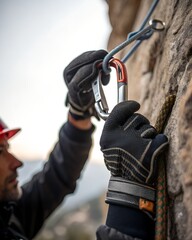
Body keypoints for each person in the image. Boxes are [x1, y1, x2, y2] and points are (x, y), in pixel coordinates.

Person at [0, 50, 168, 240]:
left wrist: (78, 115)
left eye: (8, 149)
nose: (17, 163)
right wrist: (128, 183)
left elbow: (56, 177)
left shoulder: (8, 214)